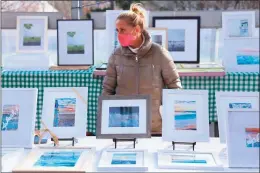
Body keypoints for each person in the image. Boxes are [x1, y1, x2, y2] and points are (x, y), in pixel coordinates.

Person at [102, 3, 182, 134]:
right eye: (117, 30)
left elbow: (175, 88)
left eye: (122, 30)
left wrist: (173, 119)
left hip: (155, 127)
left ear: (137, 29)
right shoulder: (116, 55)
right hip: (124, 125)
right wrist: (107, 119)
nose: (119, 34)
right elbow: (107, 90)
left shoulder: (160, 53)